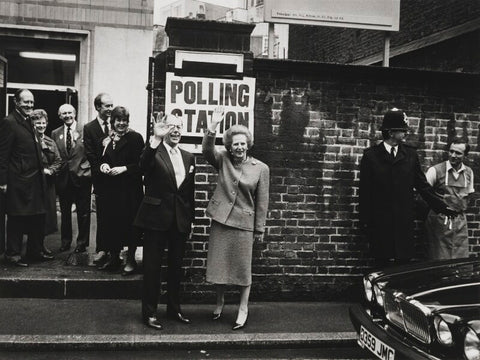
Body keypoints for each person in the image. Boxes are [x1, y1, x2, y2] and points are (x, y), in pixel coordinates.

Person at [359, 108, 456, 268]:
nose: (405, 134)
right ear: (391, 132)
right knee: (381, 265)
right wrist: (365, 222)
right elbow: (365, 192)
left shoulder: (410, 156)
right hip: (380, 223)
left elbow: (423, 186)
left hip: (403, 223)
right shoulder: (371, 156)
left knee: (402, 266)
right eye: (402, 130)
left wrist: (442, 207)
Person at [203, 107, 270, 330]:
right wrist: (213, 125)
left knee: (243, 270)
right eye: (235, 144)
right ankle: (220, 300)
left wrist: (259, 229)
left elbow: (262, 201)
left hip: (244, 224)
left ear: (248, 144)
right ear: (229, 146)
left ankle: (243, 307)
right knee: (220, 265)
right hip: (221, 221)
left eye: (243, 143)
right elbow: (206, 150)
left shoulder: (261, 168)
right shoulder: (223, 160)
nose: (239, 147)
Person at [134, 113, 195, 330]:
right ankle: (149, 312)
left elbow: (189, 193)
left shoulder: (188, 157)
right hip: (156, 219)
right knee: (152, 268)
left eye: (179, 126)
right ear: (163, 129)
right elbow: (142, 167)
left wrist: (191, 219)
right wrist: (155, 140)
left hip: (179, 220)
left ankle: (174, 309)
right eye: (171, 126)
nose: (176, 130)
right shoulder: (154, 152)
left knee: (176, 268)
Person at [0, 89, 53, 266]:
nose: (30, 105)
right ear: (16, 102)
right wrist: (3, 181)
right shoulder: (9, 122)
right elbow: (3, 155)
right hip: (19, 180)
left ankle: (35, 252)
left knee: (37, 217)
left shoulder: (29, 120)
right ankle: (13, 255)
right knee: (17, 218)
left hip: (36, 179)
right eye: (26, 102)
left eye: (31, 102)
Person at [96, 106, 144, 273]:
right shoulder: (108, 139)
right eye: (118, 120)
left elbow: (141, 165)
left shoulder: (135, 138)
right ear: (113, 121)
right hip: (112, 190)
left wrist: (124, 168)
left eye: (124, 120)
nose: (121, 123)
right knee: (112, 224)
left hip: (129, 191)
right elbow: (102, 158)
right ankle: (114, 257)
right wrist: (103, 165)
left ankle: (130, 259)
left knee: (130, 226)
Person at [51, 104, 91, 253]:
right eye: (64, 113)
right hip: (63, 178)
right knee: (65, 212)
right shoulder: (55, 133)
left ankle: (82, 242)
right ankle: (65, 241)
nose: (67, 115)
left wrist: (88, 170)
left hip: (82, 177)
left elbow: (90, 153)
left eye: (69, 112)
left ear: (75, 113)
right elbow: (56, 155)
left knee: (83, 212)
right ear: (60, 116)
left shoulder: (85, 130)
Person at [425, 139, 474, 259]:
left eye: (458, 153)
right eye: (451, 151)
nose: (453, 155)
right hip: (439, 221)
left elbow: (469, 196)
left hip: (459, 222)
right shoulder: (435, 171)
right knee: (438, 259)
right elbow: (424, 196)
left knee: (459, 260)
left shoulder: (469, 172)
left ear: (465, 155)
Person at [84, 93, 113, 266]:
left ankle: (115, 249)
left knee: (116, 214)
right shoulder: (90, 128)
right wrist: (102, 170)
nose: (110, 109)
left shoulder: (116, 125)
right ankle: (102, 249)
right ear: (97, 107)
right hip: (101, 180)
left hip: (117, 179)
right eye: (106, 106)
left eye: (111, 105)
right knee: (102, 215)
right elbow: (90, 154)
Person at [31, 109, 63, 251]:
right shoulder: (29, 140)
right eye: (38, 123)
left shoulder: (50, 141)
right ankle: (32, 247)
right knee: (33, 216)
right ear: (33, 124)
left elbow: (58, 160)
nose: (41, 126)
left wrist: (51, 170)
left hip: (48, 184)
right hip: (33, 183)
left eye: (43, 123)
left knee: (46, 216)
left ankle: (41, 245)